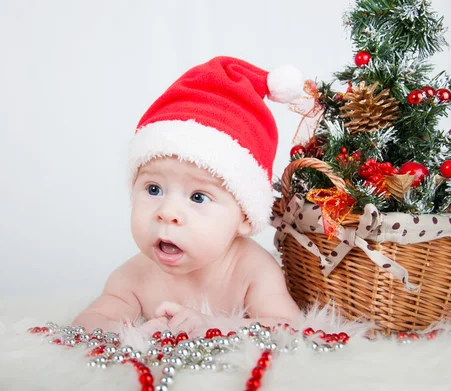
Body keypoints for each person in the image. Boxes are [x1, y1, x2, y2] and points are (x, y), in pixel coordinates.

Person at [73, 56, 305, 335]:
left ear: (244, 215)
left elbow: (290, 326)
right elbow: (88, 322)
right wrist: (130, 334)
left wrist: (216, 325)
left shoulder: (253, 272)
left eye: (198, 197)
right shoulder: (134, 277)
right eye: (153, 189)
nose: (167, 212)